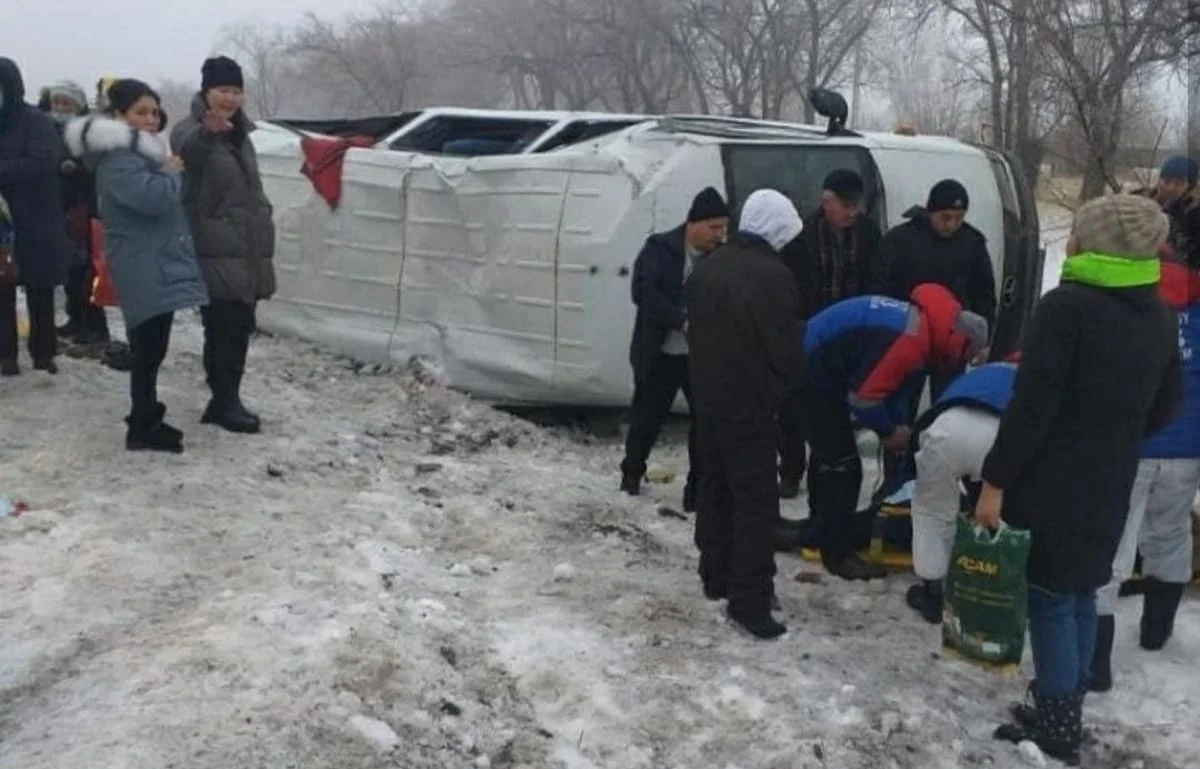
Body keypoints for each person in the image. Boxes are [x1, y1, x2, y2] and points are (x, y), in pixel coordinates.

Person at [977, 194, 1180, 764]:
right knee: (1081, 591)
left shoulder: (1067, 308)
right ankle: (1062, 703)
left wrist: (995, 482)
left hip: (1051, 477)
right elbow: (1165, 408)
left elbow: (1031, 408)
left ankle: (1058, 727)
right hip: (1111, 472)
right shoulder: (1158, 313)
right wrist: (1112, 433)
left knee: (1048, 599)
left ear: (1095, 244)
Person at [803, 284, 988, 581]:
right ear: (960, 342)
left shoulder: (924, 328)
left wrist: (898, 427)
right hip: (813, 368)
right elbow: (864, 398)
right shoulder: (911, 341)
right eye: (967, 356)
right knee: (844, 468)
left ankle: (821, 526)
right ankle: (836, 554)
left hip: (826, 366)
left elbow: (894, 387)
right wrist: (887, 431)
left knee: (831, 457)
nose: (961, 364)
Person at [687, 188, 805, 639]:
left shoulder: (708, 267)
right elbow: (785, 349)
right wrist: (788, 386)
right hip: (752, 405)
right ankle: (750, 601)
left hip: (708, 400)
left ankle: (715, 574)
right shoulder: (773, 277)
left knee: (714, 487)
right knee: (756, 503)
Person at [66, 80, 209, 452]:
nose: (149, 119)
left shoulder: (139, 154)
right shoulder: (118, 159)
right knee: (146, 350)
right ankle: (143, 426)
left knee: (153, 348)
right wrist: (172, 171)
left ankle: (147, 417)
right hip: (142, 263)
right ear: (118, 115)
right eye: (140, 112)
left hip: (154, 260)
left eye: (153, 112)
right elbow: (153, 198)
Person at [1090, 251, 1200, 691]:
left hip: (1130, 444)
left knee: (1111, 542)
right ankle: (1156, 633)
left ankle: (1096, 665)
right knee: (1170, 533)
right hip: (1188, 446)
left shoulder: (1125, 307)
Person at [171, 56, 276, 434]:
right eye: (222, 90)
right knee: (224, 324)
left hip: (245, 245)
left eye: (236, 91)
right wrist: (208, 133)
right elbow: (186, 154)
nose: (230, 98)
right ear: (206, 92)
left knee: (239, 324)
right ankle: (223, 400)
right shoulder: (191, 130)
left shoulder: (241, 135)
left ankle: (228, 396)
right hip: (215, 244)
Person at [775, 169, 882, 498]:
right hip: (809, 329)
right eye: (844, 205)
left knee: (833, 408)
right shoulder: (802, 235)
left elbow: (875, 279)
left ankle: (830, 469)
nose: (851, 213)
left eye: (856, 206)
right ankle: (791, 471)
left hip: (849, 335)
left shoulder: (868, 234)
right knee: (793, 406)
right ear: (826, 201)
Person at [620, 187, 729, 507]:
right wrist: (681, 321)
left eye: (724, 228)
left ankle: (696, 491)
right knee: (646, 419)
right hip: (660, 352)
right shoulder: (659, 248)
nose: (719, 235)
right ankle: (631, 475)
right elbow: (644, 292)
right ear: (693, 224)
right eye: (714, 228)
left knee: (705, 426)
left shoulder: (721, 257)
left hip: (701, 357)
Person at [904, 358, 1018, 623]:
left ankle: (932, 596)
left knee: (931, 512)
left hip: (945, 428)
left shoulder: (979, 373)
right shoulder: (1032, 377)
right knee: (997, 514)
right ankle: (989, 593)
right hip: (997, 434)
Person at [879, 179, 996, 395]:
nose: (951, 225)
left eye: (958, 218)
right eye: (945, 217)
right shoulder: (901, 239)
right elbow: (882, 285)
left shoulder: (972, 243)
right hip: (909, 335)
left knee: (947, 405)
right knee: (902, 401)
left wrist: (984, 341)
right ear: (931, 211)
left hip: (953, 341)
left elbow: (984, 294)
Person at [0, 57, 69, 376]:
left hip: (36, 217)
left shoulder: (35, 121)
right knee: (2, 286)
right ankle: (5, 355)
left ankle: (43, 353)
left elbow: (42, 163)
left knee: (40, 289)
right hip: (2, 221)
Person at [39, 80, 112, 351]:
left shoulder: (88, 132)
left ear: (78, 106)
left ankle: (94, 327)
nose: (60, 108)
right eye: (56, 102)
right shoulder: (47, 129)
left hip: (84, 209)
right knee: (69, 271)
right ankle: (75, 319)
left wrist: (78, 168)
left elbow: (98, 168)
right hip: (59, 208)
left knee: (86, 272)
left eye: (66, 103)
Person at [1135, 155, 1198, 269]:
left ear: (1190, 187)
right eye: (1166, 180)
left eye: (1178, 183)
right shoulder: (1140, 204)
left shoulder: (1194, 214)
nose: (1170, 187)